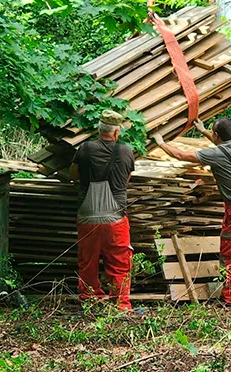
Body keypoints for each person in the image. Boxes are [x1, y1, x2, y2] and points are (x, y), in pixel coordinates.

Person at [152, 118, 231, 306]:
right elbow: (220, 144)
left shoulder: (216, 154)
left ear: (216, 135)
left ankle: (230, 299)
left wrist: (160, 142)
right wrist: (203, 131)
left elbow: (181, 155)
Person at [70, 109, 136, 311]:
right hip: (115, 217)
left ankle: (90, 300)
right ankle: (121, 304)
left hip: (87, 214)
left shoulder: (85, 148)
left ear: (99, 130)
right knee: (119, 262)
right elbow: (126, 180)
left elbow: (73, 174)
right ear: (116, 132)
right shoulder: (125, 151)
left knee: (87, 261)